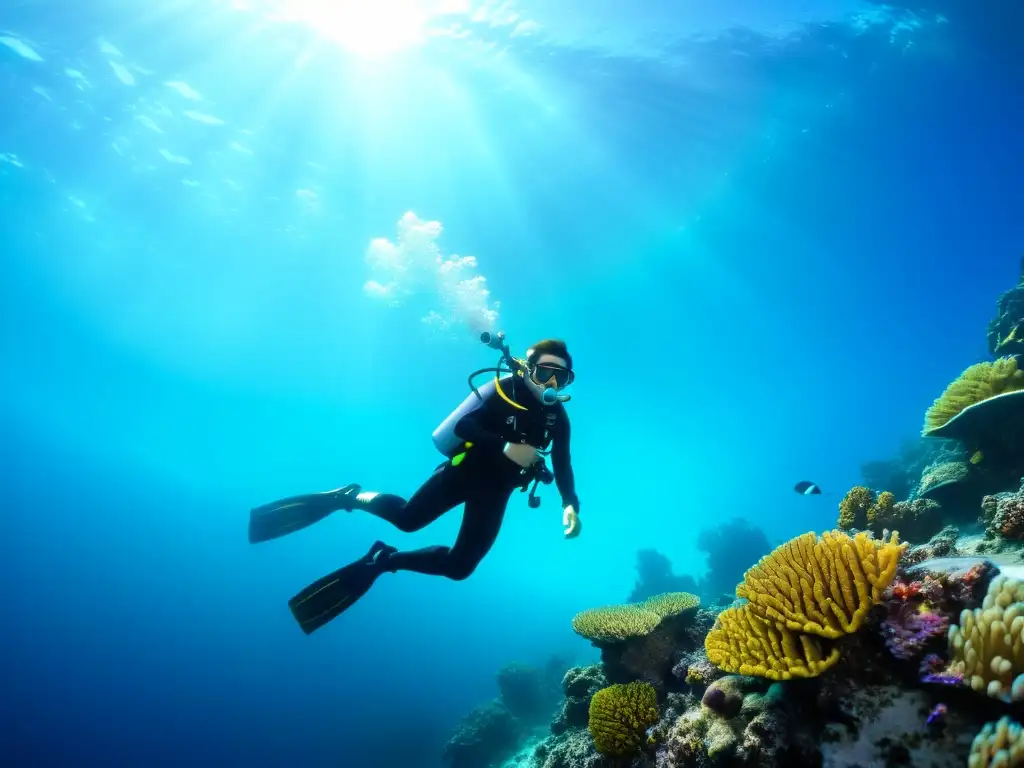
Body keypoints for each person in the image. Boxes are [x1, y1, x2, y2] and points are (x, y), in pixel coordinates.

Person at [248, 338, 581, 634]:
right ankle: (349, 496)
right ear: (527, 369)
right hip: (462, 473)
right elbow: (466, 425)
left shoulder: (557, 416)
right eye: (544, 373)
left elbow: (562, 462)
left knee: (460, 567)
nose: (551, 383)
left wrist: (570, 505)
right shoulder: (506, 390)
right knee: (407, 520)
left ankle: (384, 560)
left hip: (497, 491)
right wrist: (505, 447)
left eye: (560, 377)